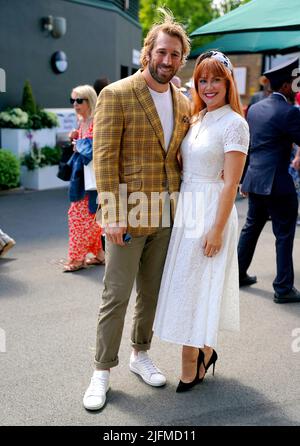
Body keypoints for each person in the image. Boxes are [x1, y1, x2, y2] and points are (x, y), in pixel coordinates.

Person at [83, 9, 191, 410]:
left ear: (182, 59)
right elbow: (104, 157)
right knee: (115, 295)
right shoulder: (117, 94)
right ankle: (101, 371)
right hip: (126, 216)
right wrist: (110, 213)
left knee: (151, 293)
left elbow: (178, 157)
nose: (167, 60)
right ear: (148, 52)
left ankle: (139, 354)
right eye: (162, 52)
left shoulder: (182, 101)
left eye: (175, 55)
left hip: (167, 214)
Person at [153, 50, 249, 392]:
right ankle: (205, 351)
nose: (208, 86)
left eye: (215, 80)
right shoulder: (197, 119)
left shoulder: (235, 124)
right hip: (188, 210)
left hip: (212, 211)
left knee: (199, 286)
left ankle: (193, 360)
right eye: (202, 80)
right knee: (186, 285)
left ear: (228, 83)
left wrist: (217, 229)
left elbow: (231, 185)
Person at [238, 57, 300, 303]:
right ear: (285, 86)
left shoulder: (255, 109)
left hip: (255, 180)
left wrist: (244, 179)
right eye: (294, 83)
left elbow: (251, 145)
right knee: (284, 234)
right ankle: (283, 289)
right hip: (278, 183)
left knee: (251, 228)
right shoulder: (289, 112)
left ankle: (238, 273)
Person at [63, 84, 105, 272]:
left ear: (90, 100)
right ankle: (99, 254)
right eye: (72, 100)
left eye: (79, 100)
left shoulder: (97, 121)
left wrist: (79, 144)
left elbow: (97, 149)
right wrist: (76, 139)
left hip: (93, 179)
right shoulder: (82, 123)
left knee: (80, 217)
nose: (75, 104)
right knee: (88, 218)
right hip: (81, 178)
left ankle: (77, 259)